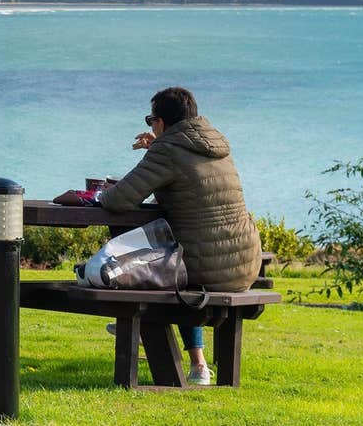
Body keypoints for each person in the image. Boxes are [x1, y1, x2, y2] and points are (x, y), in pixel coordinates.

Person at [99, 86, 263, 385]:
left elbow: (118, 200)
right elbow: (189, 177)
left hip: (206, 270)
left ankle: (135, 322)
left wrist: (100, 192)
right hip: (245, 264)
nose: (150, 126)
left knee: (165, 267)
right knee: (181, 261)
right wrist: (158, 148)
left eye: (151, 120)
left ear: (161, 122)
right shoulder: (216, 146)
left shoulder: (168, 150)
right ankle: (197, 365)